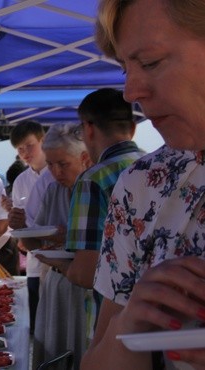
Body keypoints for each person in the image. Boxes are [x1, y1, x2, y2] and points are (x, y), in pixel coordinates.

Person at [82, 1, 205, 369]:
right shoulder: (144, 185)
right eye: (125, 69)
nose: (130, 91)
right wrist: (129, 331)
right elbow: (97, 361)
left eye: (150, 62)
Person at [37, 88, 143, 336]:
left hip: (115, 320)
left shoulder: (94, 180)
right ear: (133, 128)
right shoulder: (159, 168)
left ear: (89, 129)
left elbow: (86, 274)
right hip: (163, 314)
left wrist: (57, 263)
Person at [18, 123, 92, 369]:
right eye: (51, 164)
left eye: (63, 164)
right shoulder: (53, 190)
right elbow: (32, 243)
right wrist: (19, 227)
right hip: (55, 282)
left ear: (84, 159)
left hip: (84, 287)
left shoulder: (95, 191)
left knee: (79, 350)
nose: (56, 172)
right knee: (53, 350)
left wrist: (66, 239)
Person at [2, 120, 52, 334]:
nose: (24, 152)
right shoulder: (21, 180)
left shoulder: (60, 171)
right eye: (20, 149)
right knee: (35, 326)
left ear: (43, 141)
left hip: (60, 260)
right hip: (34, 260)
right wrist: (13, 215)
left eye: (29, 145)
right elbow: (21, 223)